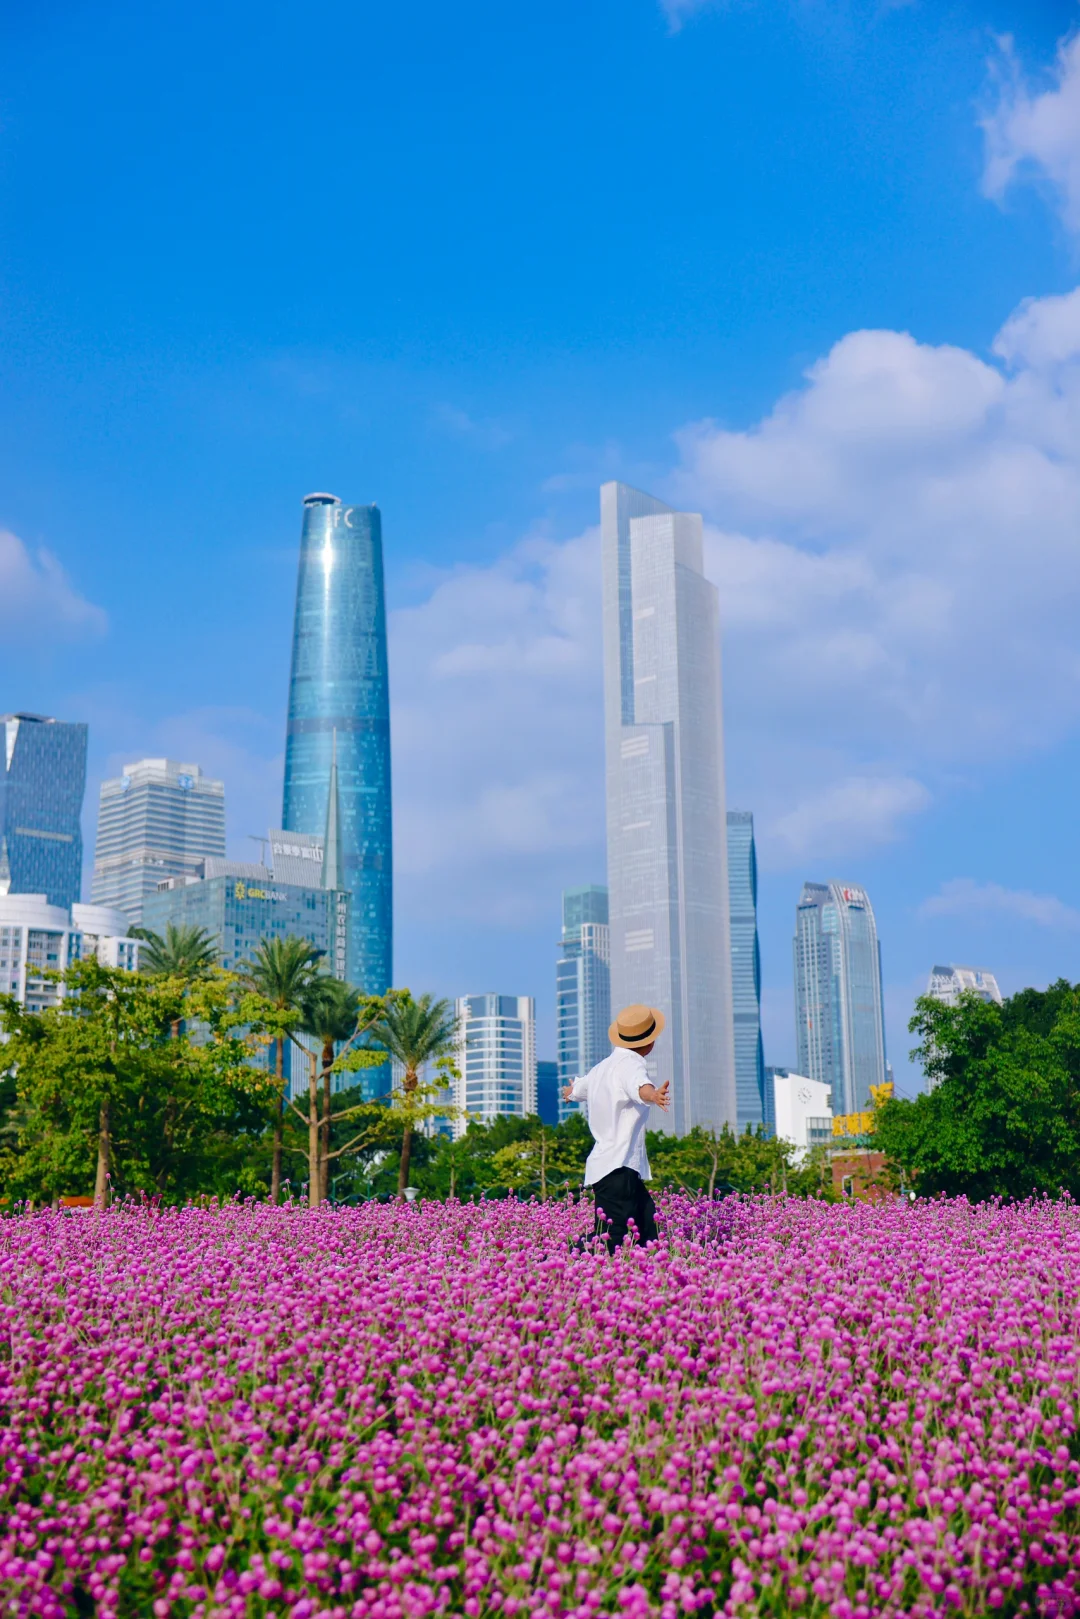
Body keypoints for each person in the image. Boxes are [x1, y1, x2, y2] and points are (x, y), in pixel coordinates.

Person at [563, 1002, 670, 1252]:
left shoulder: (602, 1068)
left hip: (612, 1166)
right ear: (649, 1042)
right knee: (614, 1235)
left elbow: (578, 1089)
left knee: (647, 1224)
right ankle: (562, 1259)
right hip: (617, 1166)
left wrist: (569, 1092)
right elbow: (639, 1086)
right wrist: (653, 1095)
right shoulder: (632, 1064)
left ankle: (649, 1267)